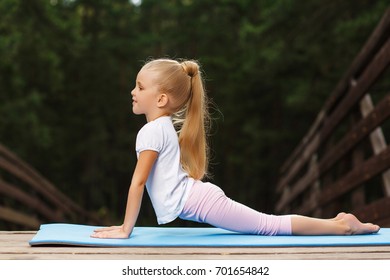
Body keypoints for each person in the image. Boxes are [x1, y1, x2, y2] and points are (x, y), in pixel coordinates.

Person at [91, 58, 380, 239]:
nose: (133, 91)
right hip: (199, 199)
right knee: (268, 224)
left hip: (201, 202)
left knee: (269, 226)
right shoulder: (162, 126)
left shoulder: (152, 131)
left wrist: (124, 229)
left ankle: (345, 227)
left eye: (139, 87)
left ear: (162, 98)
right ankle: (339, 221)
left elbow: (138, 181)